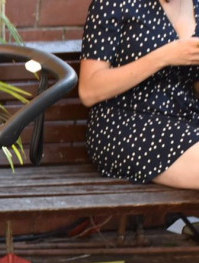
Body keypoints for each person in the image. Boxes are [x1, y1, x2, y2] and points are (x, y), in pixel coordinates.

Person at [78, 0, 199, 189]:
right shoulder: (113, 4)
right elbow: (88, 90)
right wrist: (164, 57)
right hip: (126, 123)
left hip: (188, 120)